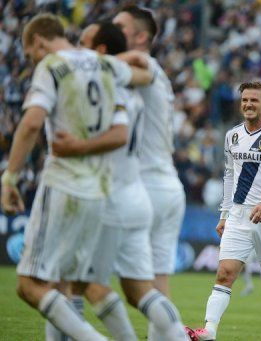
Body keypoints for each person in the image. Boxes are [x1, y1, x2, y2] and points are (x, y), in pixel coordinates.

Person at [45, 21, 189, 341]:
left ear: (100, 50)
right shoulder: (132, 81)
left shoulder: (104, 86)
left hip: (110, 197)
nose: (77, 48)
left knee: (69, 284)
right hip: (140, 195)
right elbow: (142, 71)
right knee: (142, 292)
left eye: (83, 42)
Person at [0, 13, 129, 341]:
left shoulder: (52, 65)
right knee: (72, 283)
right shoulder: (105, 64)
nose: (32, 61)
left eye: (30, 55)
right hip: (97, 190)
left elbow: (31, 123)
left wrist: (9, 179)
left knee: (29, 285)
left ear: (39, 42)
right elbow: (121, 127)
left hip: (62, 186)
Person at [190, 81, 261, 341]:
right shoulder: (232, 135)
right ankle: (209, 331)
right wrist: (225, 214)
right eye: (245, 100)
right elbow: (229, 176)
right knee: (224, 273)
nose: (248, 104)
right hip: (238, 215)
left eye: (254, 100)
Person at [113, 5, 186, 305]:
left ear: (141, 37)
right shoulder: (156, 71)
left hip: (145, 187)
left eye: (119, 27)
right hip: (167, 186)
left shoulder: (144, 63)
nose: (111, 31)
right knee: (156, 286)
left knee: (90, 277)